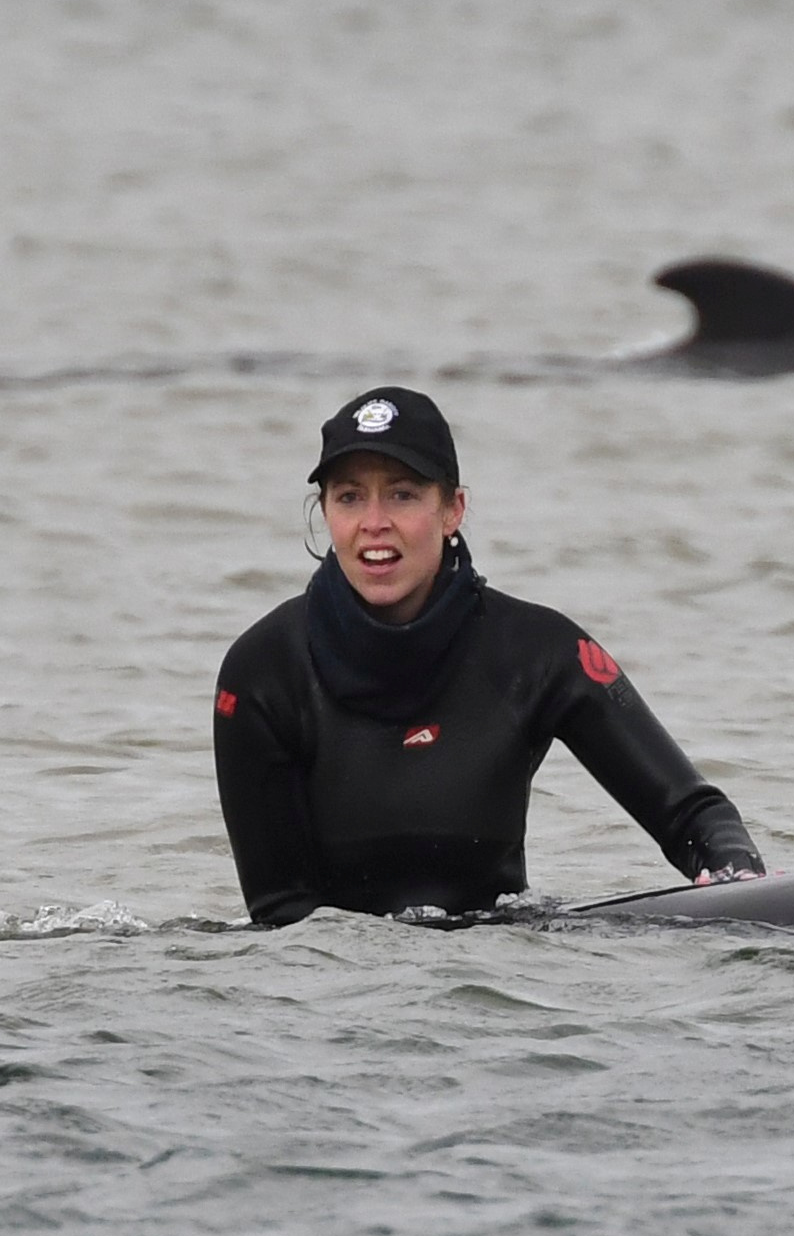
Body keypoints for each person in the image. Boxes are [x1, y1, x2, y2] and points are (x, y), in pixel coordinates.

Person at [214, 386, 765, 924]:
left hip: (497, 982)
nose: (373, 522)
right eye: (350, 496)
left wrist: (739, 879)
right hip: (335, 999)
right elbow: (280, 917)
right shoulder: (262, 672)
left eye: (403, 494)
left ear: (452, 509)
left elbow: (694, 817)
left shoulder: (537, 651)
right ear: (326, 511)